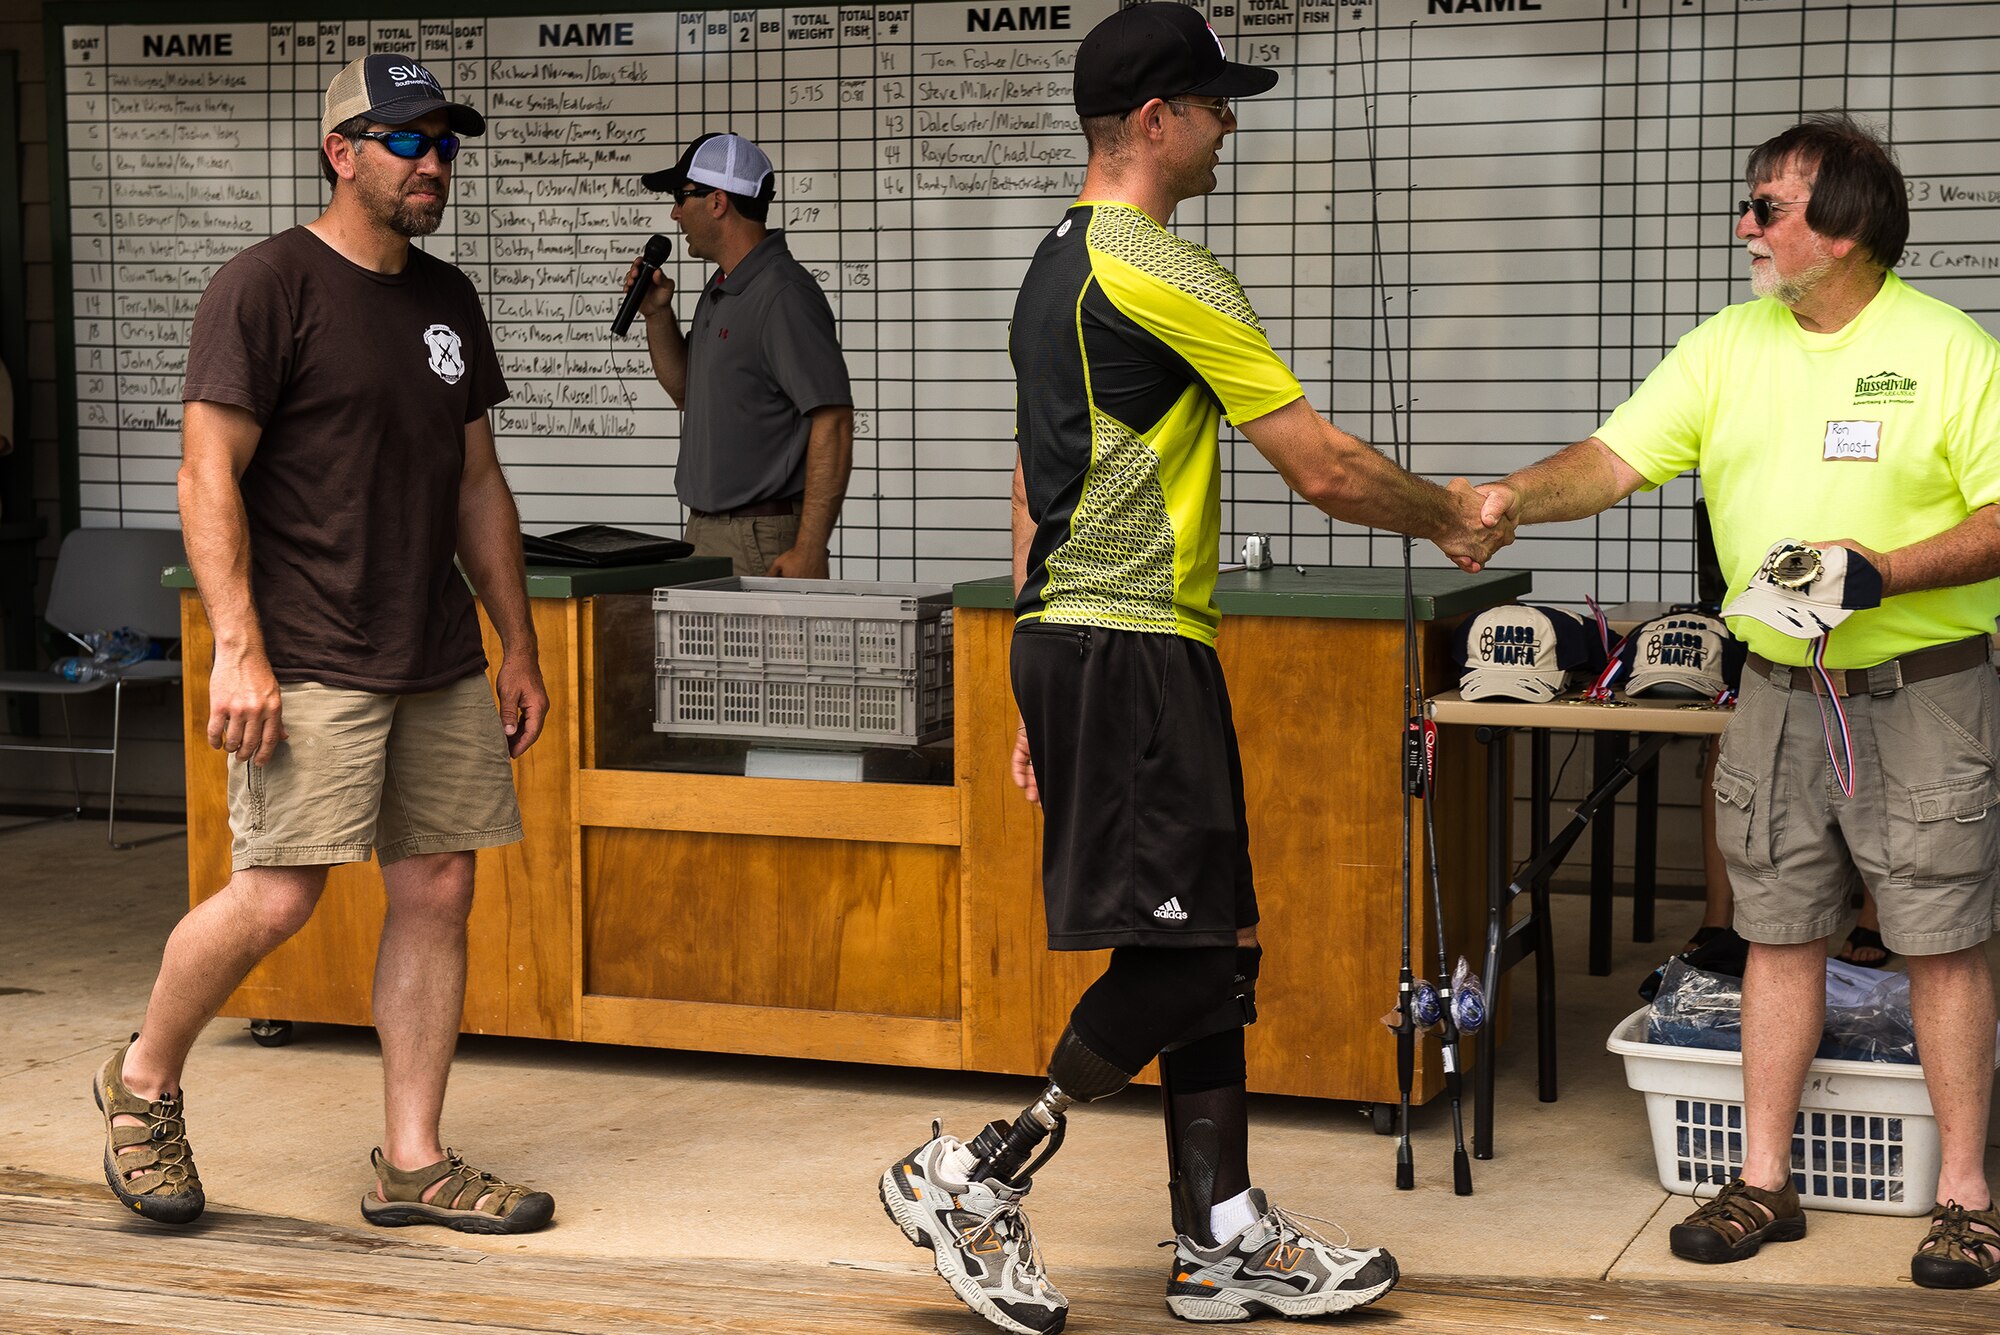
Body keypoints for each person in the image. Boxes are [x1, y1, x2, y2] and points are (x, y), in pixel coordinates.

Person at [877, 7, 1511, 1330]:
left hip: (1092, 641)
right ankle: (973, 1173)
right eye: (1214, 103)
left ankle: (1220, 1233)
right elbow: (1322, 464)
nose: (1232, 121)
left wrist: (1026, 681)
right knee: (1186, 957)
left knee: (1210, 942)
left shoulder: (1054, 263)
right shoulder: (1162, 266)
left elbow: (1030, 479)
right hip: (1130, 645)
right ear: (1154, 120)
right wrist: (1449, 517)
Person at [1479, 113, 2000, 1288]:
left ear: (1843, 225)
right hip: (1769, 688)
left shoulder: (1953, 351)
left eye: (1765, 207)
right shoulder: (1726, 346)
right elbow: (1611, 461)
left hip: (1923, 692)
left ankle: (1964, 1196)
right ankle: (1762, 1179)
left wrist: (1881, 572)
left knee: (1943, 939)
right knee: (1773, 927)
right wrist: (1510, 496)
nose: (1743, 228)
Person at [97, 53, 554, 1235]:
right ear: (339, 150)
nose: (433, 164)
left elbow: (476, 484)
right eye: (408, 141)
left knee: (439, 886)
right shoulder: (264, 286)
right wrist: (237, 648)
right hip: (308, 653)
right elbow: (208, 477)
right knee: (279, 897)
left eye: (445, 144)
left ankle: (413, 1160)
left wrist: (517, 641)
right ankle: (142, 1080)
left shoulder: (447, 298)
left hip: (436, 653)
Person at [623, 133, 853, 578]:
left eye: (681, 196)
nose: (674, 213)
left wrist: (810, 547)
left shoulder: (784, 293)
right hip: (709, 530)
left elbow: (835, 421)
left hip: (760, 535)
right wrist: (656, 315)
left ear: (717, 202)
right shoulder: (722, 285)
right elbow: (685, 390)